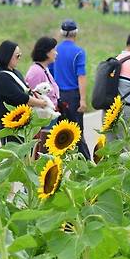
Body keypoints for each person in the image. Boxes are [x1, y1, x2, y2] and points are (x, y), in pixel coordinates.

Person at [0, 41, 48, 144]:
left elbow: (26, 90)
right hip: (11, 126)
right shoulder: (1, 77)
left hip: (23, 123)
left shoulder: (15, 72)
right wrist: (42, 103)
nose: (19, 58)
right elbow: (20, 97)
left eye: (20, 55)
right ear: (7, 56)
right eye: (17, 56)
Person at [50, 20, 90, 159]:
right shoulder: (79, 52)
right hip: (73, 96)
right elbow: (81, 76)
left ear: (61, 33)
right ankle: (86, 164)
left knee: (59, 133)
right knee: (77, 132)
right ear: (76, 33)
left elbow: (50, 73)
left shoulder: (54, 51)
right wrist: (83, 100)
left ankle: (61, 163)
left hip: (58, 96)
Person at [25, 37, 60, 143]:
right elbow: (34, 96)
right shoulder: (36, 72)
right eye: (54, 50)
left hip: (49, 115)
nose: (56, 53)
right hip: (43, 118)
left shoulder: (44, 69)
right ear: (47, 52)